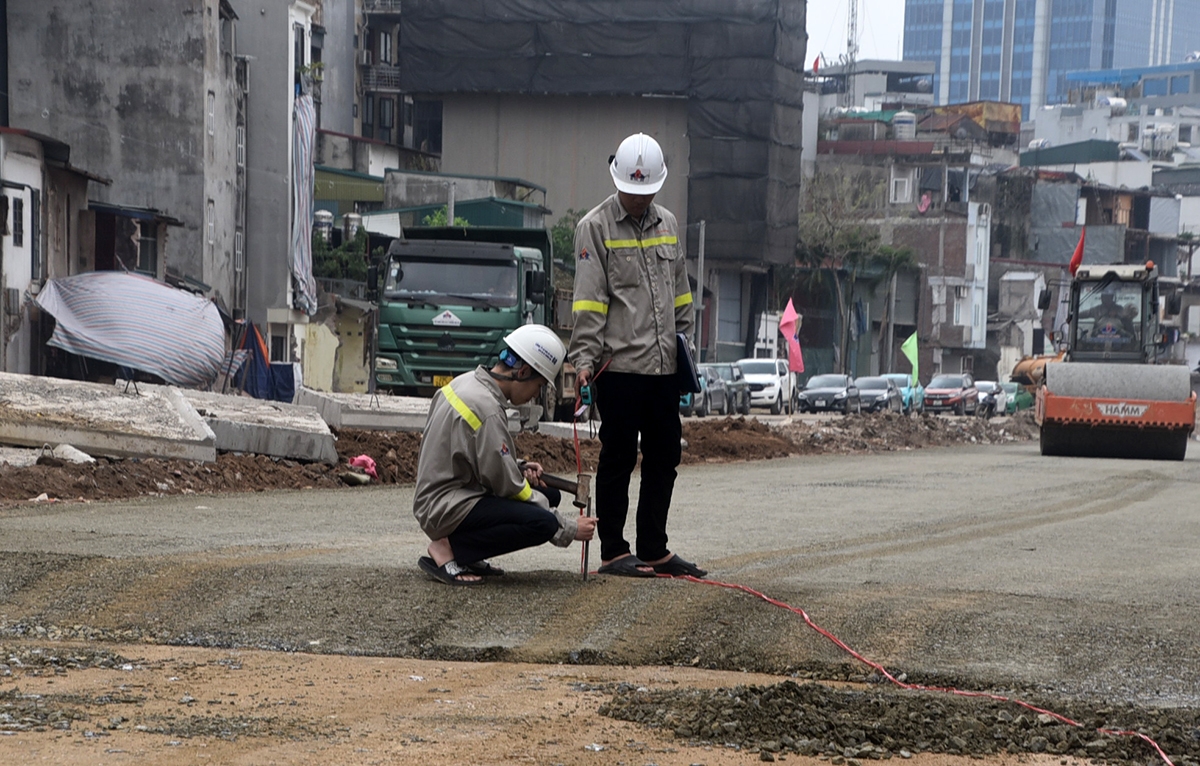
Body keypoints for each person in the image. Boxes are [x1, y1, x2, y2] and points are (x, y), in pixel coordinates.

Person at [568, 132, 707, 579]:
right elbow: (589, 303)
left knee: (665, 454)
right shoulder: (594, 227)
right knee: (618, 457)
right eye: (633, 191)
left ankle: (653, 547)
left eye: (647, 192)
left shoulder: (667, 222)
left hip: (665, 368)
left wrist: (685, 349)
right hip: (620, 369)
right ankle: (613, 551)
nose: (639, 200)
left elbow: (680, 294)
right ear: (617, 181)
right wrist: (583, 362)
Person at [413, 325, 596, 586]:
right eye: (539, 385)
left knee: (550, 496)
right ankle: (450, 549)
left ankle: (468, 552)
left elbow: (474, 453)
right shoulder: (486, 409)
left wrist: (519, 466)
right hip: (444, 508)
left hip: (442, 494)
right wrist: (568, 529)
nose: (535, 395)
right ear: (522, 372)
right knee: (542, 523)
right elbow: (509, 487)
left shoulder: (467, 383)